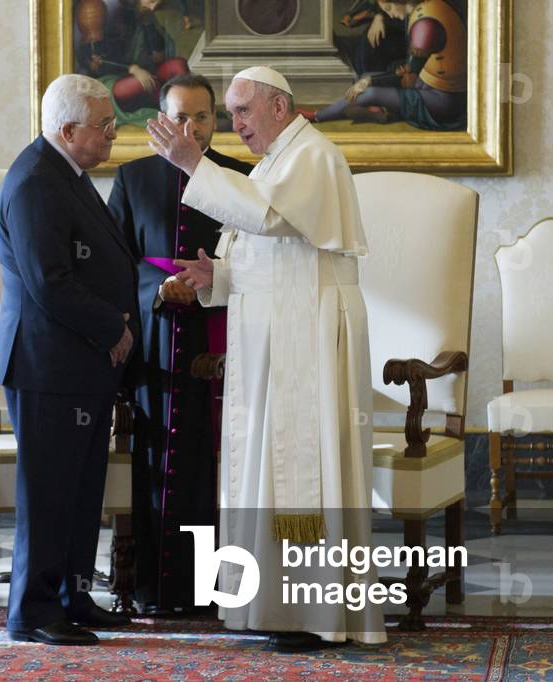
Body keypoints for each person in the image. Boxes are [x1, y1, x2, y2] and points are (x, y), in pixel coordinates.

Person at [146, 66, 387, 650]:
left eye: (243, 112)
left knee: (305, 465)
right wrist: (218, 275)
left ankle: (313, 611)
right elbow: (275, 248)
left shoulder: (312, 155)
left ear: (279, 107)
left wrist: (190, 165)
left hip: (307, 331)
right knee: (267, 467)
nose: (236, 125)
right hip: (280, 330)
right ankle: (277, 604)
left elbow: (271, 219)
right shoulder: (278, 159)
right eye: (230, 114)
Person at [0, 73, 140, 646]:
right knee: (49, 493)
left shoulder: (66, 173)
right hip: (47, 366)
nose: (112, 135)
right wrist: (116, 328)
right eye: (104, 126)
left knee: (81, 493)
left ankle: (73, 597)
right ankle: (32, 612)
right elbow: (49, 282)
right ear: (68, 128)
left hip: (81, 364)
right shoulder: (34, 181)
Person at [107, 74, 253, 616]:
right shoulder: (133, 178)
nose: (190, 129)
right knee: (155, 465)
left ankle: (220, 592)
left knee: (214, 470)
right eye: (180, 118)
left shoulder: (242, 179)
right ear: (160, 122)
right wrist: (156, 289)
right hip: (156, 342)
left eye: (201, 118)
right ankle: (153, 589)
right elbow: (117, 264)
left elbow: (259, 259)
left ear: (216, 121)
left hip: (222, 342)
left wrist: (212, 281)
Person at [309, 0, 467, 129]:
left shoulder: (425, 26)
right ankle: (383, 111)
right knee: (365, 77)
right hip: (428, 82)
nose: (389, 13)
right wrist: (368, 80)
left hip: (444, 102)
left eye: (389, 7)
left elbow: (407, 77)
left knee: (370, 92)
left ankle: (317, 116)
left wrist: (370, 82)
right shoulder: (425, 8)